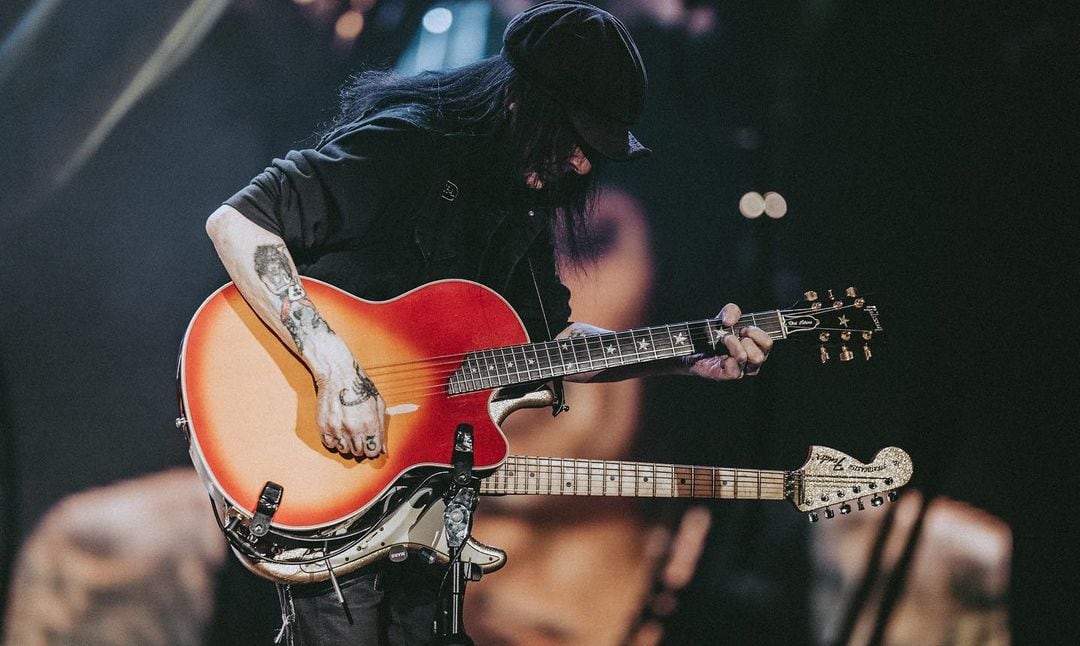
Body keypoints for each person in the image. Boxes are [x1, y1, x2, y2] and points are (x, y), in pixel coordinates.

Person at [205, 1, 773, 643]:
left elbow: (554, 347)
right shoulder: (410, 145)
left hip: (412, 501)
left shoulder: (522, 205)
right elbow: (239, 221)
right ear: (520, 104)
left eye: (595, 150)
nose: (583, 165)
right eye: (574, 138)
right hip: (315, 452)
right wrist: (334, 366)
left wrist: (684, 357)